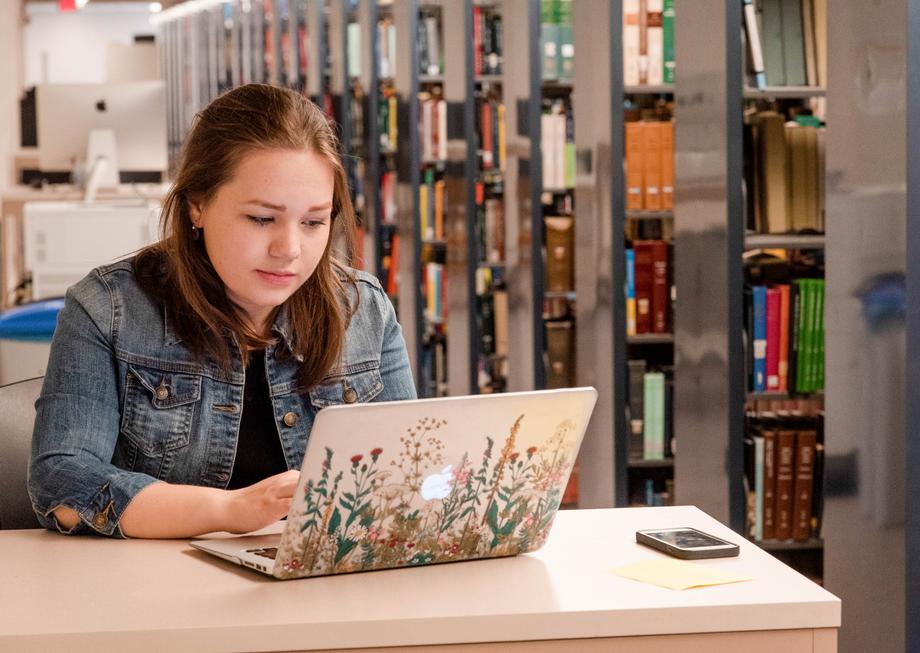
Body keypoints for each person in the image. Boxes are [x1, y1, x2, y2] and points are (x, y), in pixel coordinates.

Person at [28, 84, 416, 538]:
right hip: (156, 593)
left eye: (314, 222)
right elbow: (61, 481)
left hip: (320, 589)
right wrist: (226, 511)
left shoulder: (364, 309)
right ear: (198, 206)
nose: (289, 249)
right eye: (261, 219)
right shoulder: (106, 310)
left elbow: (408, 469)